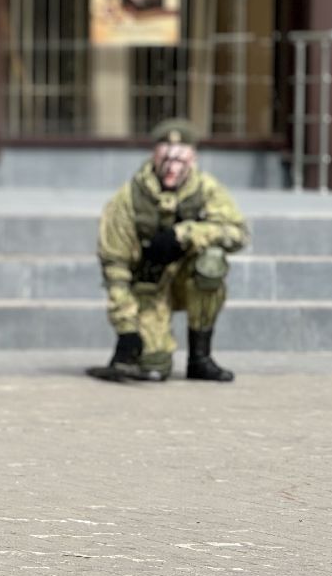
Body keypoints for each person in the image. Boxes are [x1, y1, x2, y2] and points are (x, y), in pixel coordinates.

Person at [88, 119, 249, 384]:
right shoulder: (129, 198)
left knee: (212, 262)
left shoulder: (206, 190)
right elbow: (114, 266)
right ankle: (149, 349)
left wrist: (185, 234)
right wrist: (126, 329)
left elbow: (237, 234)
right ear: (154, 156)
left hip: (190, 279)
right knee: (154, 369)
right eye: (166, 160)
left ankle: (200, 358)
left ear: (193, 159)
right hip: (149, 287)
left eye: (180, 162)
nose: (172, 168)